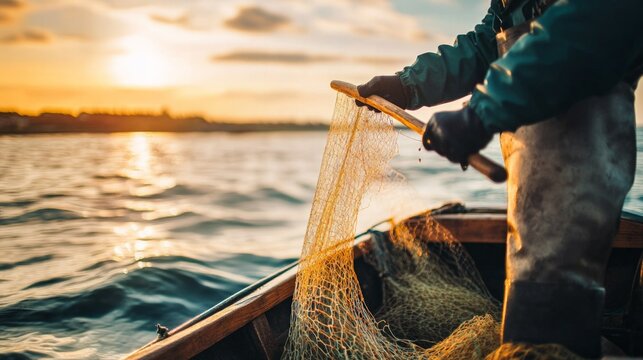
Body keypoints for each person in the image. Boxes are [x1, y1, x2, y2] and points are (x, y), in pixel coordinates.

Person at [357, 0, 642, 357]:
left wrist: (478, 114)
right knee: (527, 312)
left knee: (552, 320)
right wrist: (408, 85)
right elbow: (487, 42)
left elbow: (580, 32)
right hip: (533, 183)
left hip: (584, 169)